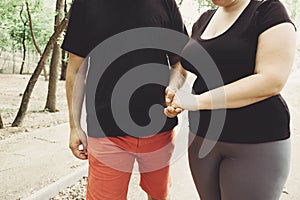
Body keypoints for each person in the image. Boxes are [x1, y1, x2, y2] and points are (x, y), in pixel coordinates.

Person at [165, 0, 297, 199]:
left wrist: (196, 101)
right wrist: (174, 88)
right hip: (202, 137)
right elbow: (185, 63)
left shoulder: (267, 11)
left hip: (255, 139)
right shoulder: (204, 20)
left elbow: (271, 80)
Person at [62, 0, 187, 199]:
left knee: (158, 195)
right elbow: (76, 70)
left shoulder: (165, 2)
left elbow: (179, 61)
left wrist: (173, 87)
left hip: (158, 126)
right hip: (106, 129)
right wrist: (74, 126)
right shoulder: (85, 4)